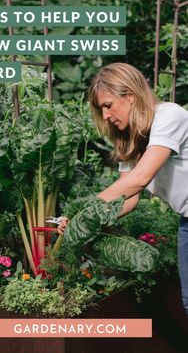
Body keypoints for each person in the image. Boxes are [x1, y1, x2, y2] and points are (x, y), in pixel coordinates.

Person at [58, 62, 188, 317]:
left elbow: (140, 178)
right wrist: (84, 222)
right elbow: (128, 200)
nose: (105, 115)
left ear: (130, 96)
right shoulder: (132, 138)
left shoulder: (169, 116)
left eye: (108, 105)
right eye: (100, 109)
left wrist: (85, 211)